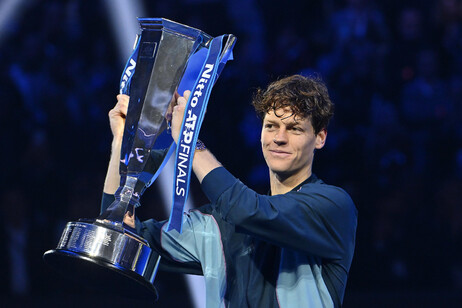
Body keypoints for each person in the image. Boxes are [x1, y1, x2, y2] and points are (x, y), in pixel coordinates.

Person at [101, 74, 357, 307]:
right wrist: (121, 145)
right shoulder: (218, 223)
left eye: (295, 128)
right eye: (271, 126)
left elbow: (250, 212)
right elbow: (119, 237)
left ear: (320, 138)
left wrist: (190, 141)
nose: (279, 138)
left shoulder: (334, 207)